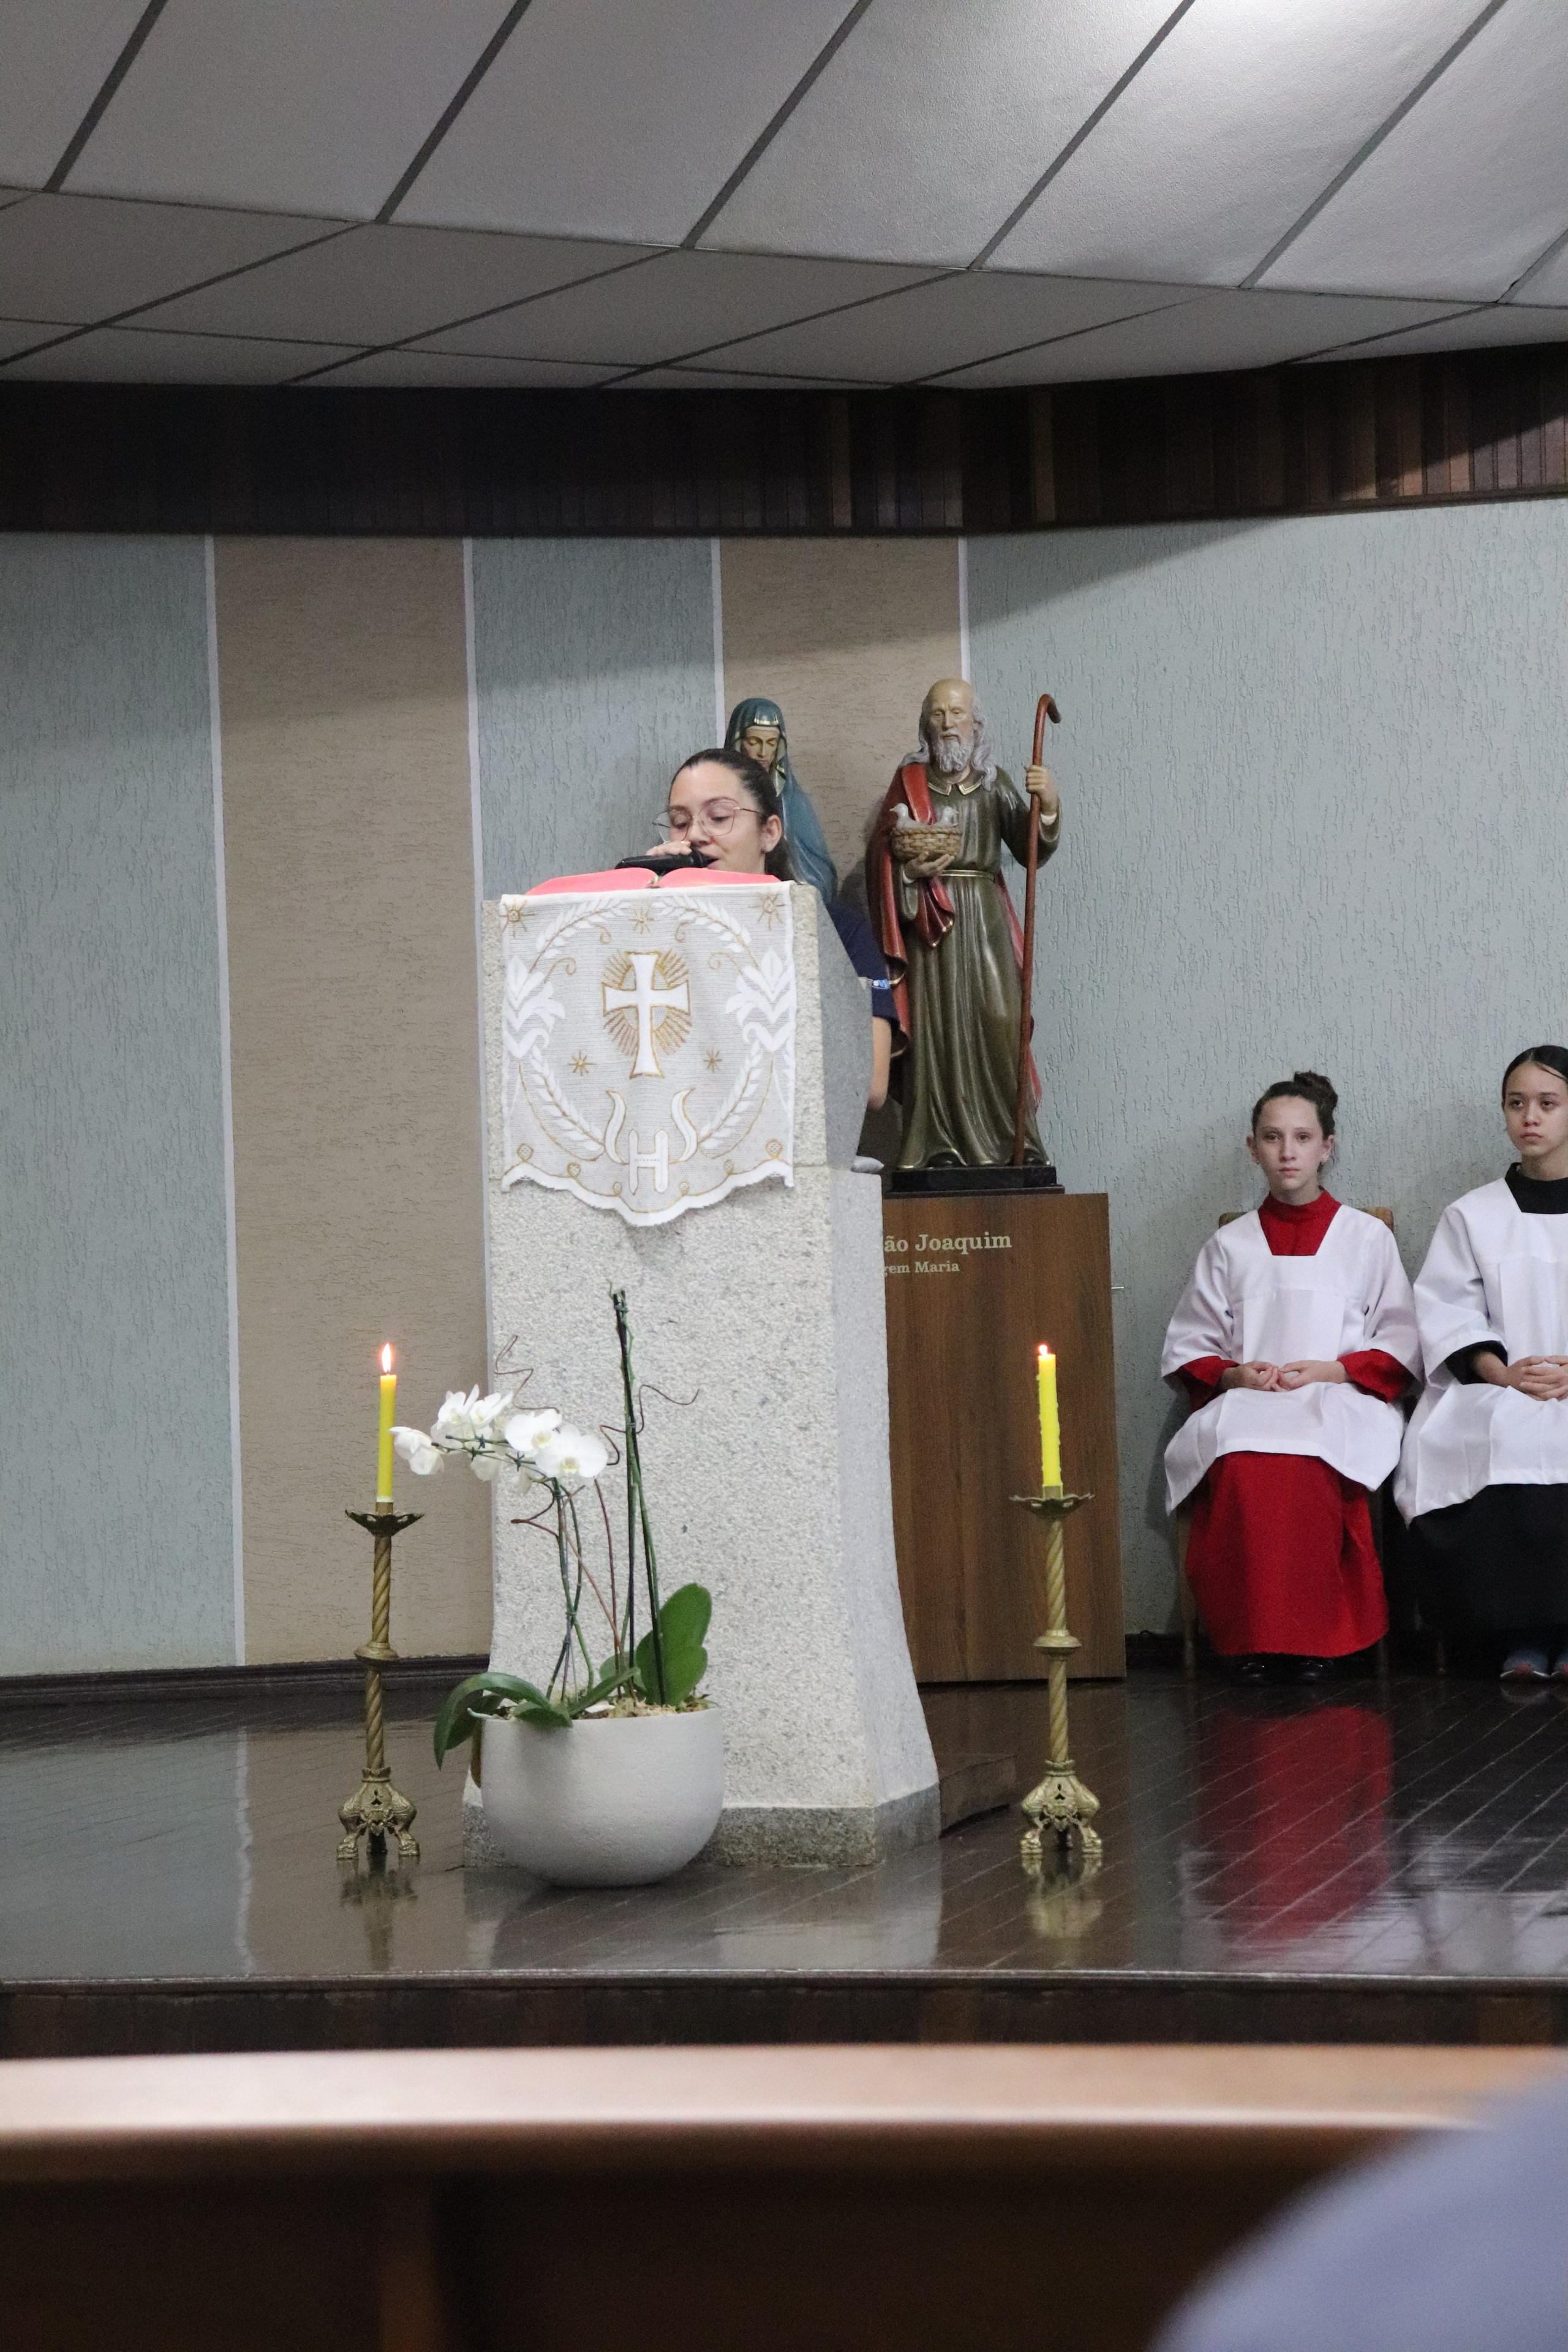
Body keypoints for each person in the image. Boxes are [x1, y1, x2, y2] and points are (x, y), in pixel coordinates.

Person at [1162, 1072, 1420, 1683]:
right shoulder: (1229, 1245)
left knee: (1312, 1460)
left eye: (1301, 1137)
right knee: (1238, 1462)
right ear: (1251, 1147)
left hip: (1339, 1395)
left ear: (1326, 1147)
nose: (1287, 1151)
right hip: (1252, 1399)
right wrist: (1233, 1374)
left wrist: (1333, 1368)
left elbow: (1401, 1338)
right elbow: (1191, 1344)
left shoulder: (1366, 1237)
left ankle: (1320, 1640)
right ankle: (1249, 1638)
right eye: (1272, 1138)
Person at [1396, 1045, 1568, 1684]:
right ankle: (1520, 1636)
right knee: (1501, 1431)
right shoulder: (1472, 1215)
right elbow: (1446, 1308)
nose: (1530, 1117)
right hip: (1500, 1382)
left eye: (1547, 1104)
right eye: (1516, 1103)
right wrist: (1504, 1375)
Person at [864, 677, 1056, 1170]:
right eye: (938, 714)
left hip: (984, 916)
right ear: (926, 725)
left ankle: (1019, 1144)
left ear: (976, 723)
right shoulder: (910, 782)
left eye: (957, 713)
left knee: (1001, 1022)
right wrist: (907, 871)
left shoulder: (995, 784)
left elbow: (1032, 847)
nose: (948, 723)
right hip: (930, 919)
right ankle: (937, 1146)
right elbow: (881, 855)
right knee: (936, 1033)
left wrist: (1048, 804)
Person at [651, 748, 895, 1111]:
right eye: (680, 821)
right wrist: (641, 913)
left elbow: (871, 1084)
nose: (696, 836)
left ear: (769, 833)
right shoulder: (654, 928)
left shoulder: (838, 930)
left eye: (718, 817)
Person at [724, 696, 837, 902]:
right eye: (754, 742)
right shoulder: (719, 802)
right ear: (738, 742)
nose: (763, 753)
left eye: (771, 743)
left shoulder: (792, 802)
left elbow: (819, 874)